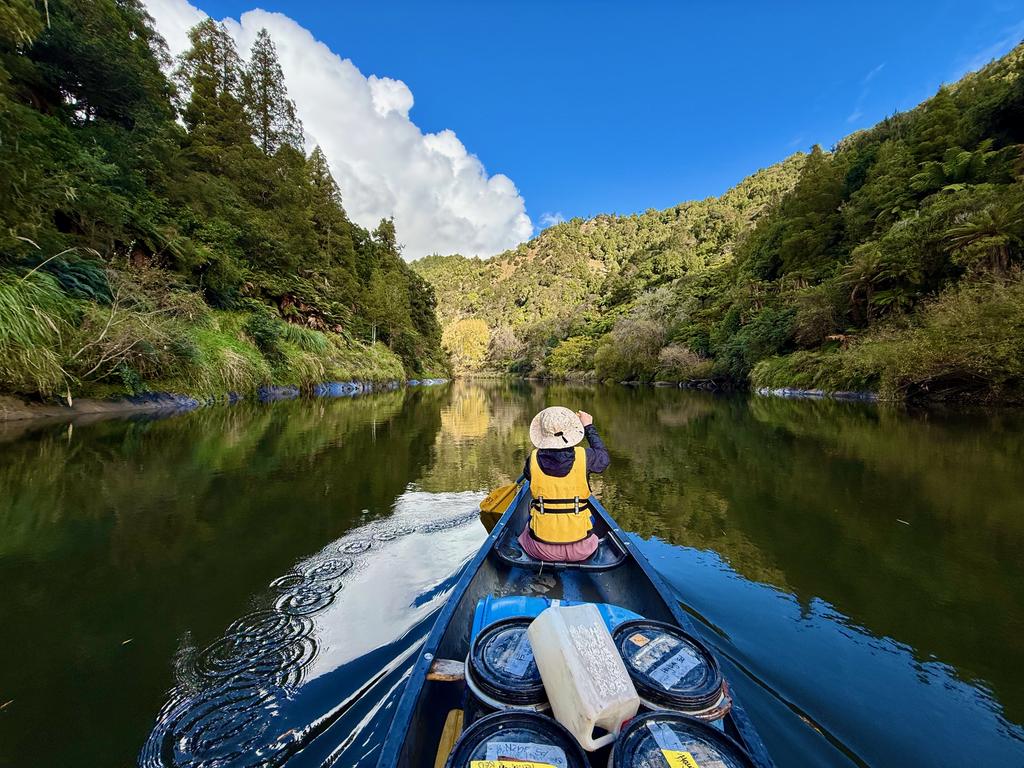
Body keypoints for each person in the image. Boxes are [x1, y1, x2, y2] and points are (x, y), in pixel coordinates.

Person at [518, 406, 610, 563]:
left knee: (527, 520)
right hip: (581, 550)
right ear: (572, 431)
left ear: (543, 434)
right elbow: (604, 459)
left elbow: (528, 476)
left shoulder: (532, 460)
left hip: (541, 550)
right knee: (591, 519)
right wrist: (588, 427)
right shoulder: (585, 457)